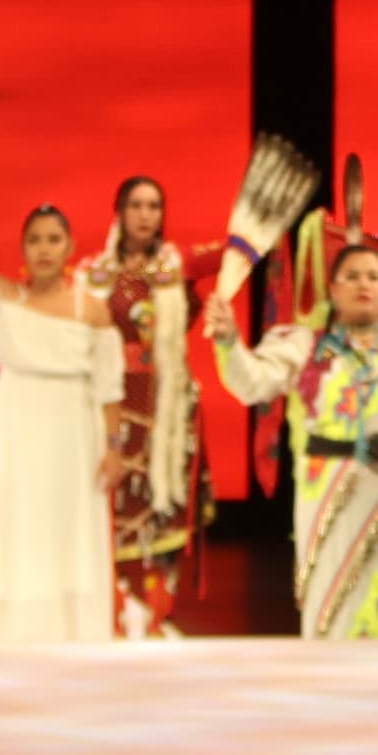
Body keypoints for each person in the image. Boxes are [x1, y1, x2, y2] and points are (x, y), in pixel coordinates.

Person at [209, 237, 378, 639]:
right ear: (333, 291)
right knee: (334, 604)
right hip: (331, 495)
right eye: (351, 277)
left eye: (373, 277)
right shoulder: (303, 347)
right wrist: (229, 340)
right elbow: (253, 384)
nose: (363, 285)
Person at [0, 186, 122, 642]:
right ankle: (12, 628)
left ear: (70, 248)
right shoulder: (2, 295)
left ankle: (73, 630)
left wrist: (114, 448)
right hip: (16, 420)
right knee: (17, 516)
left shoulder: (92, 311)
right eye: (34, 240)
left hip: (74, 424)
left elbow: (109, 386)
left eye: (54, 239)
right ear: (23, 249)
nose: (44, 249)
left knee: (69, 520)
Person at [81, 176, 218, 639]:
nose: (145, 215)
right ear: (117, 211)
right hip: (112, 404)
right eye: (135, 205)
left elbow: (234, 254)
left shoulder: (176, 269)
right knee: (114, 505)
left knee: (164, 506)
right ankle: (115, 609)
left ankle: (160, 615)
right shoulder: (93, 274)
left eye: (154, 206)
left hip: (166, 406)